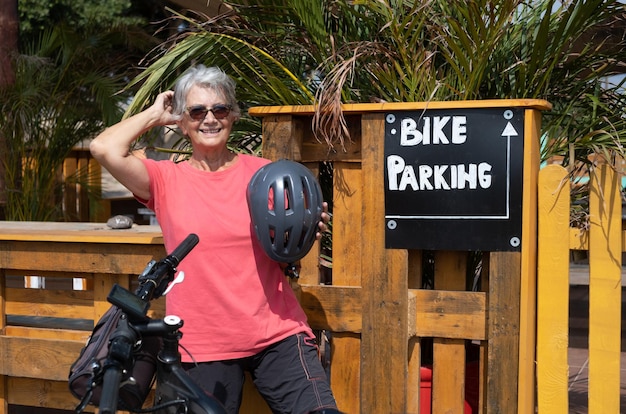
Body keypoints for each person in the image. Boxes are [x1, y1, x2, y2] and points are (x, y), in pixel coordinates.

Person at [90, 64, 339, 414]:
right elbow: (104, 148)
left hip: (276, 333)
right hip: (200, 345)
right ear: (183, 121)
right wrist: (155, 114)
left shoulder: (264, 173)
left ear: (233, 116)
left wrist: (309, 226)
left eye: (219, 109)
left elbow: (287, 237)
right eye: (196, 111)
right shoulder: (165, 179)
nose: (210, 119)